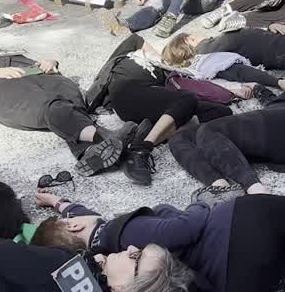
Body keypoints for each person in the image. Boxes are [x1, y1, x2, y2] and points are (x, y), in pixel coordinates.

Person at [33, 193, 285, 292]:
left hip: (246, 281)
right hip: (236, 228)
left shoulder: (102, 256)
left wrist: (59, 202)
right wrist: (201, 206)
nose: (124, 254)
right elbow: (180, 231)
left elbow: (85, 230)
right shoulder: (122, 236)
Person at [0, 33, 135, 176]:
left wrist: (50, 63)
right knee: (51, 107)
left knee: (67, 105)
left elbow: (40, 65)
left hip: (48, 79)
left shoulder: (7, 53)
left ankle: (91, 152)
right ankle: (104, 137)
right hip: (7, 89)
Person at [83, 34, 270, 186]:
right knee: (186, 99)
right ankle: (142, 148)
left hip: (147, 102)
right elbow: (136, 39)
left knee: (220, 112)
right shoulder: (136, 55)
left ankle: (136, 139)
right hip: (127, 93)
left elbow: (201, 88)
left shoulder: (167, 73)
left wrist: (231, 91)